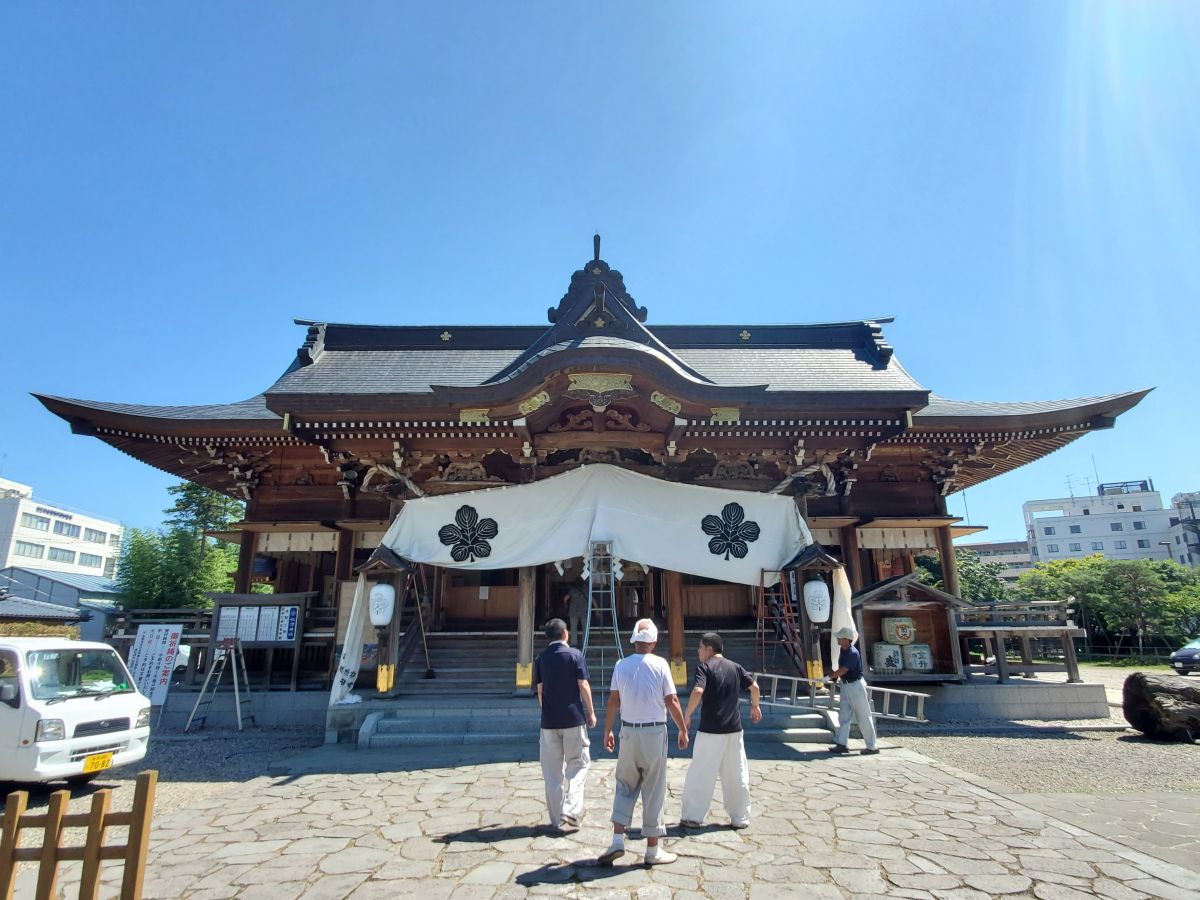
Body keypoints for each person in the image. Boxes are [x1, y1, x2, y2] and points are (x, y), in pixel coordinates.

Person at [599, 618, 689, 867]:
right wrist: (682, 728)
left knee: (624, 784)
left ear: (634, 640)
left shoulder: (620, 664)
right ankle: (652, 849)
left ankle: (617, 839)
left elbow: (613, 701)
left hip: (628, 731)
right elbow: (671, 700)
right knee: (654, 788)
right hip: (654, 732)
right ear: (655, 641)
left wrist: (608, 730)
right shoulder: (660, 664)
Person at [679, 632, 762, 829]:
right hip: (734, 729)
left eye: (700, 647)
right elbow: (755, 687)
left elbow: (698, 690)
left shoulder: (705, 667)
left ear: (709, 649)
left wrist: (687, 715)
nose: (698, 651)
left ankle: (693, 816)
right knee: (736, 773)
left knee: (701, 772)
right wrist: (755, 706)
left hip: (710, 729)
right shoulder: (735, 667)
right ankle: (740, 816)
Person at [533, 618, 597, 830]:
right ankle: (570, 809)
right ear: (565, 634)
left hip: (549, 721)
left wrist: (546, 710)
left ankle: (555, 820)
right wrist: (591, 711)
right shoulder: (575, 655)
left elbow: (540, 690)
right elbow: (583, 684)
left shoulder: (541, 658)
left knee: (552, 772)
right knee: (578, 764)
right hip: (573, 718)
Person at [830, 626, 879, 755]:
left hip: (856, 686)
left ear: (846, 639)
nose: (838, 639)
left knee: (863, 716)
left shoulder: (852, 653)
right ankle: (842, 743)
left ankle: (872, 746)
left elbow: (843, 669)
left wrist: (830, 677)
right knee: (844, 716)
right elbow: (842, 670)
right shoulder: (844, 649)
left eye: (840, 637)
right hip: (846, 685)